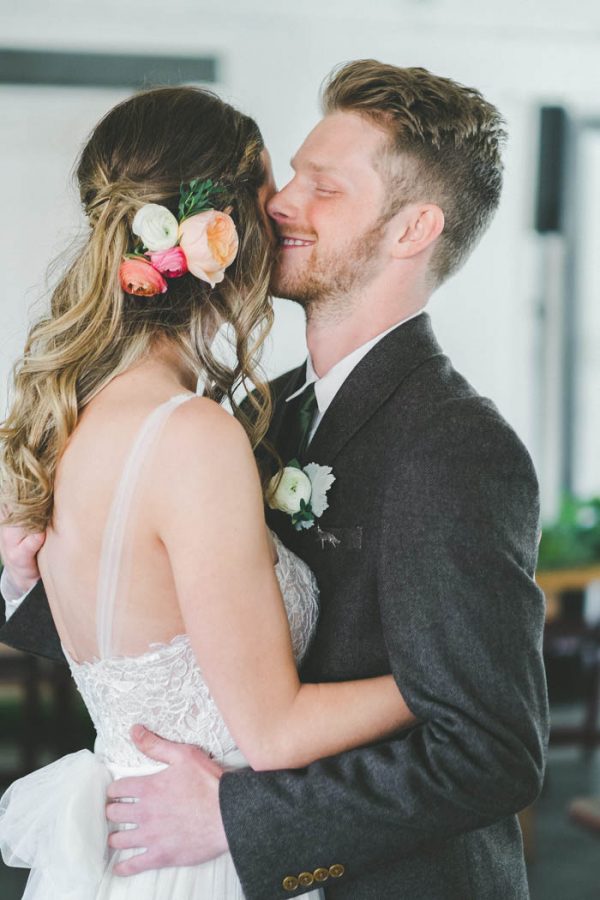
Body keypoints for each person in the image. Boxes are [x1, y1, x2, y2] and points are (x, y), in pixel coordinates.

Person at [0, 60, 549, 899]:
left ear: (412, 230)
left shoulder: (458, 446)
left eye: (322, 186)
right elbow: (182, 633)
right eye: (289, 174)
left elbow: (492, 750)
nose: (279, 203)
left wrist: (243, 820)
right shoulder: (260, 413)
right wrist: (34, 578)